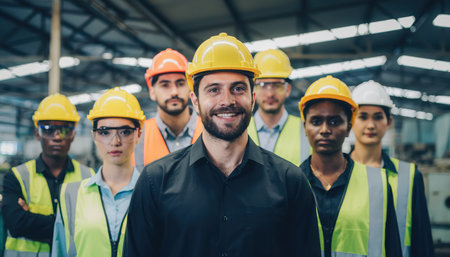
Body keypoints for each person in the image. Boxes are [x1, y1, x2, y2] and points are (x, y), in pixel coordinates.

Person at [123, 32, 321, 257]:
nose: (227, 101)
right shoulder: (154, 183)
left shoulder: (291, 184)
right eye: (214, 89)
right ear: (196, 101)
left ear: (252, 98)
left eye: (238, 88)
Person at [298, 75, 402, 257]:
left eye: (334, 121)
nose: (324, 130)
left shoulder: (378, 184)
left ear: (348, 127)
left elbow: (393, 248)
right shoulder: (290, 183)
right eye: (316, 121)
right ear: (305, 126)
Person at [51, 87, 145, 257]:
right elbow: (61, 251)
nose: (115, 141)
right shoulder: (70, 195)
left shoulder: (152, 192)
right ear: (94, 136)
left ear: (138, 134)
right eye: (105, 132)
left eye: (124, 132)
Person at [2, 94, 94, 257]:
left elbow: (94, 226)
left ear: (73, 134)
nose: (57, 137)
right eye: (48, 129)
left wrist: (31, 219)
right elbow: (16, 224)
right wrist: (71, 226)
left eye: (65, 130)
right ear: (37, 133)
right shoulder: (16, 177)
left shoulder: (89, 177)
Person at [350, 81, 434, 257]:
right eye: (363, 116)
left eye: (378, 117)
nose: (371, 125)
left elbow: (422, 241)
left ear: (389, 122)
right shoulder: (337, 174)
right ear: (351, 121)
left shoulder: (409, 176)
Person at [133, 48, 203, 171]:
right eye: (165, 85)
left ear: (190, 88)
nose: (174, 92)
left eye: (180, 83)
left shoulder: (211, 128)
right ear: (152, 91)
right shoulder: (137, 136)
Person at [248, 49, 309, 165]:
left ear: (288, 89)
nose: (270, 94)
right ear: (253, 89)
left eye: (277, 85)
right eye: (262, 85)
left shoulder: (306, 130)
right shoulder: (241, 129)